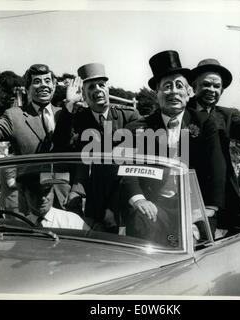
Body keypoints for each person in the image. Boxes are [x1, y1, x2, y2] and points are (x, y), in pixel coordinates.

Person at [122, 50, 226, 240]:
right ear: (157, 93)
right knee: (140, 223)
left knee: (195, 240)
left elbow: (216, 165)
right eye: (167, 86)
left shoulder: (205, 123)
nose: (174, 92)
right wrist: (139, 199)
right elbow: (126, 169)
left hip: (195, 205)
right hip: (156, 204)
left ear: (189, 92)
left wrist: (209, 208)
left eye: (179, 86)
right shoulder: (136, 128)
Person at [52, 63, 141, 229]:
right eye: (91, 87)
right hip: (93, 198)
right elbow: (60, 147)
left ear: (108, 89)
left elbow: (133, 162)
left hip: (124, 194)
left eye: (102, 85)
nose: (98, 90)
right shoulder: (77, 119)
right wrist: (70, 103)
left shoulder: (128, 116)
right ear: (84, 96)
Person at [188, 58, 240, 233]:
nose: (211, 90)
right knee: (202, 235)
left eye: (217, 87)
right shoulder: (182, 112)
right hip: (193, 190)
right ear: (194, 86)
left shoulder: (226, 115)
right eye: (206, 84)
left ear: (222, 90)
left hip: (224, 190)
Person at [0, 64, 63, 155]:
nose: (43, 85)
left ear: (54, 87)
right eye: (37, 81)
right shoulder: (14, 117)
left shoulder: (64, 114)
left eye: (47, 81)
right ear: (27, 89)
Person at [18, 173, 90, 230]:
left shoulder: (71, 221)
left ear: (53, 191)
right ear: (24, 194)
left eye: (46, 191)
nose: (43, 198)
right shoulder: (20, 226)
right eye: (36, 193)